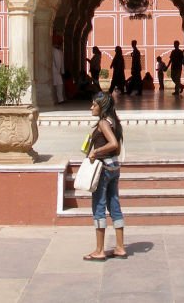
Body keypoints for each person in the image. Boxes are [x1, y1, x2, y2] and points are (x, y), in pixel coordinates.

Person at [83, 91, 126, 261]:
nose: (91, 107)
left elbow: (113, 144)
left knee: (99, 205)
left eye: (94, 105)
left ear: (102, 107)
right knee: (114, 203)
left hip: (104, 168)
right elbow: (118, 147)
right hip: (114, 166)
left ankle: (99, 250)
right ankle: (120, 247)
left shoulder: (103, 123)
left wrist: (96, 151)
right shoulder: (114, 121)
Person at [52, 35, 66, 105]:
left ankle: (60, 99)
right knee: (58, 85)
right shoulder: (55, 51)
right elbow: (58, 62)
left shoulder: (58, 51)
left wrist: (62, 71)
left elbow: (61, 62)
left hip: (56, 71)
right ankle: (60, 99)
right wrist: (59, 70)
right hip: (55, 71)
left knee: (58, 85)